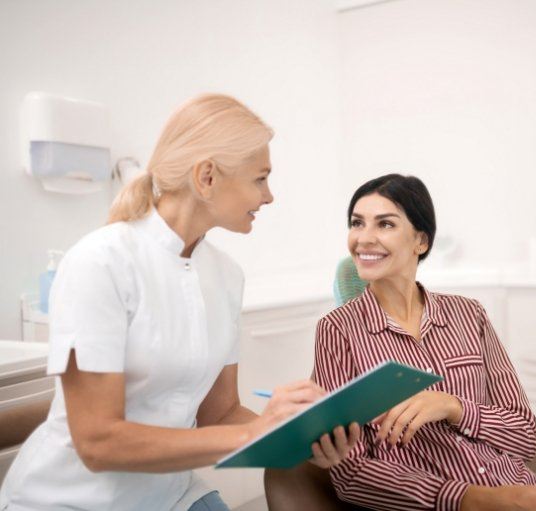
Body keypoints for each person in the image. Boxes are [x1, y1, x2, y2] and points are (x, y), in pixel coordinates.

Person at [0, 94, 360, 511]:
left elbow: (220, 414)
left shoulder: (225, 275)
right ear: (206, 177)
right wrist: (256, 433)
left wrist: (300, 435)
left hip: (171, 496)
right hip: (74, 500)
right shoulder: (101, 262)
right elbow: (96, 443)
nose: (269, 197)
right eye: (260, 178)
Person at [314, 174, 536, 511]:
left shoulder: (468, 314)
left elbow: (523, 433)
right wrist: (474, 499)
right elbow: (352, 475)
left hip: (525, 491)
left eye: (385, 224)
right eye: (357, 223)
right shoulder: (337, 330)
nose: (364, 238)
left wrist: (454, 407)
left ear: (421, 241)